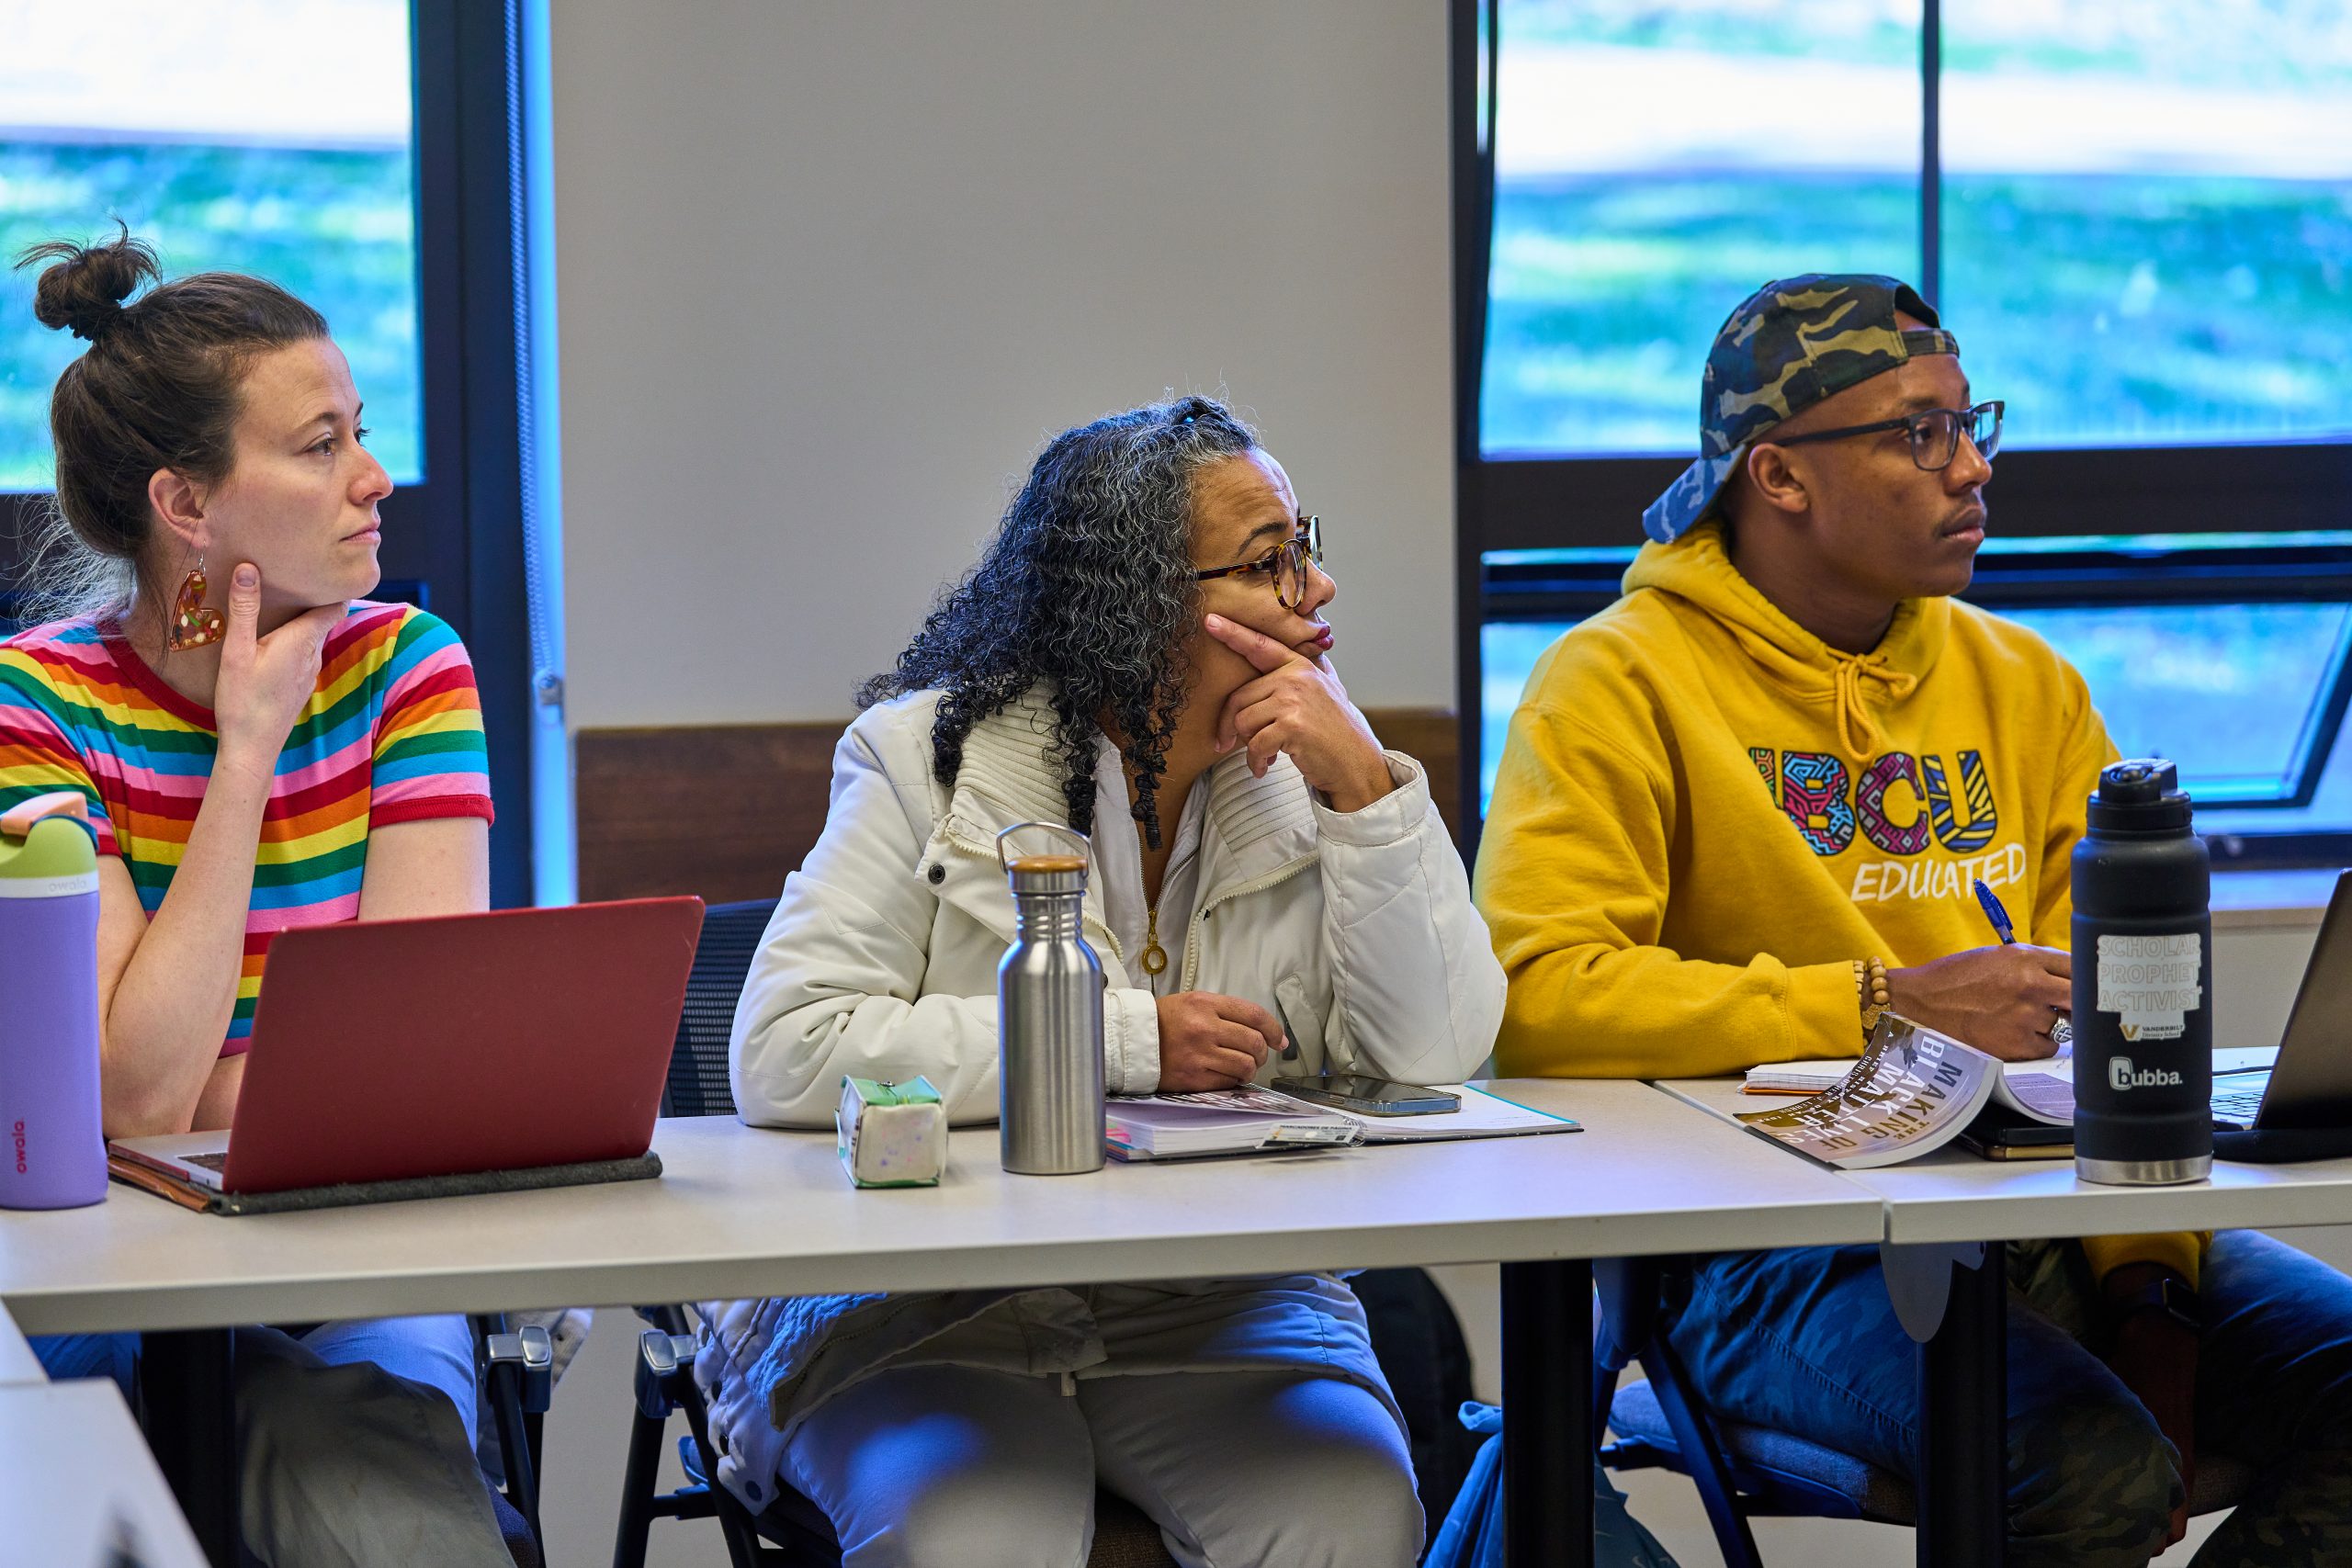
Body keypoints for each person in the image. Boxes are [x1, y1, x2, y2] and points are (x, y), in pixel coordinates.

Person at [1474, 272, 2352, 1565]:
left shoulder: (2026, 684)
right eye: (1918, 433)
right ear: (1778, 475)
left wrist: (2149, 1284)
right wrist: (1878, 1003)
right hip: (1760, 1251)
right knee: (2089, 1466)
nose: (1973, 466)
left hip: (2049, 1209)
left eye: (1971, 421)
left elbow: (2122, 1025)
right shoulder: (1614, 681)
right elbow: (1535, 995)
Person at [695, 396, 1507, 1568]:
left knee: (1347, 1512)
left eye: (1306, 548)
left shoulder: (1312, 774)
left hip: (1217, 1306)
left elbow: (1436, 1060)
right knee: (978, 1532)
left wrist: (1371, 798)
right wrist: (1122, 1040)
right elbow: (786, 1051)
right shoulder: (921, 759)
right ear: (1136, 606)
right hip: (922, 1311)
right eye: (1270, 563)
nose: (1316, 590)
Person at [0, 230, 510, 1567]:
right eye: (320, 442)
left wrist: (214, 1095)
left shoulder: (413, 666)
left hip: (348, 1259)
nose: (372, 476)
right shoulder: (35, 704)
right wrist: (243, 755)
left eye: (362, 430)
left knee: (390, 1507)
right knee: (84, 1495)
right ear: (187, 503)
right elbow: (141, 1099)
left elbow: (412, 1078)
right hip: (98, 1274)